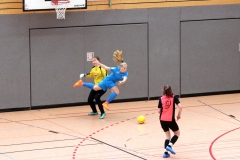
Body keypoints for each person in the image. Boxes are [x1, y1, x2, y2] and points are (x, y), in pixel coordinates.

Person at [158, 85, 183, 158]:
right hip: (170, 120)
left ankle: (165, 153)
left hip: (162, 120)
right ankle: (170, 145)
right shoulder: (174, 97)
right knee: (177, 133)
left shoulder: (161, 98)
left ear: (163, 90)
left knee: (167, 136)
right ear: (171, 90)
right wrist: (178, 115)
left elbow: (159, 111)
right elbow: (180, 107)